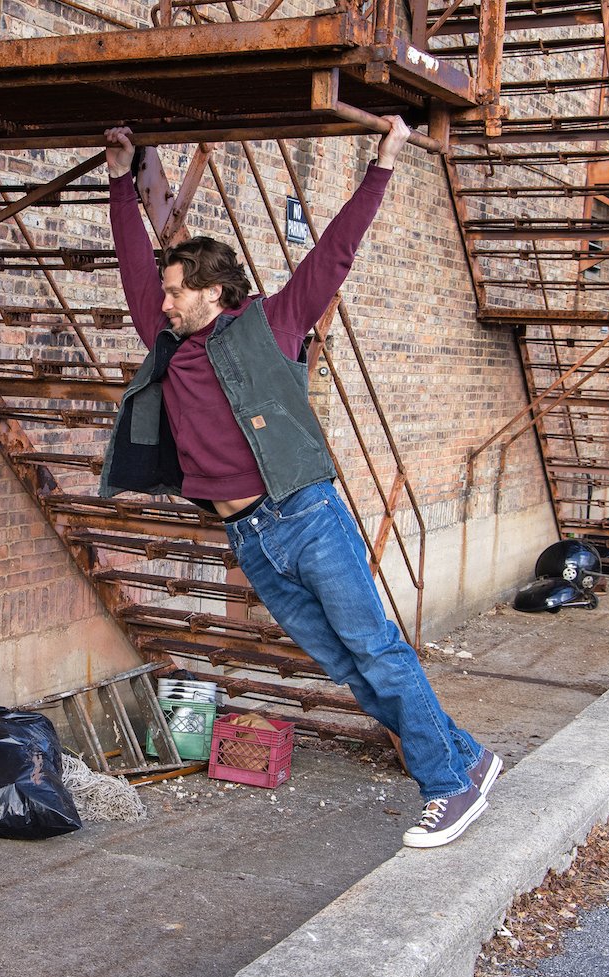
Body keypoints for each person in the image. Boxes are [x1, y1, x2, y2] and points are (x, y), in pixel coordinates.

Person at [101, 118, 500, 848]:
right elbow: (133, 265)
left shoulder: (275, 322)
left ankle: (447, 784)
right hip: (250, 538)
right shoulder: (169, 344)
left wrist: (383, 164)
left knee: (377, 649)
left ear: (214, 292)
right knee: (351, 664)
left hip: (305, 516)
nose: (161, 303)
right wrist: (121, 181)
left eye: (175, 293)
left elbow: (334, 253)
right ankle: (467, 754)